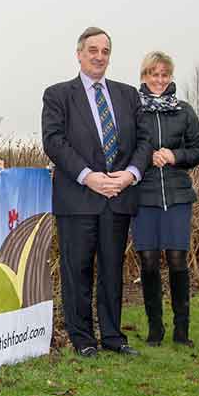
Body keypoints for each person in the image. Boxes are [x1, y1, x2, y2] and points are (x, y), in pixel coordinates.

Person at [42, 27, 150, 357]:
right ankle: (83, 338)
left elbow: (145, 141)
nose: (99, 56)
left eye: (105, 50)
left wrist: (130, 175)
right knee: (78, 271)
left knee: (112, 270)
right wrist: (88, 176)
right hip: (78, 198)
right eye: (92, 50)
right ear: (79, 54)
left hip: (118, 197)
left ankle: (114, 337)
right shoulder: (58, 95)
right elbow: (54, 142)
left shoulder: (129, 95)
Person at [133, 51, 199, 347]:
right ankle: (155, 329)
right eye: (153, 74)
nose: (159, 80)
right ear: (144, 76)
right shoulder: (133, 110)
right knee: (148, 261)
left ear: (170, 77)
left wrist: (176, 156)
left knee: (177, 260)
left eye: (164, 74)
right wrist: (145, 157)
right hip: (143, 196)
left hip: (177, 195)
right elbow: (122, 148)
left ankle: (181, 329)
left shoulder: (184, 111)